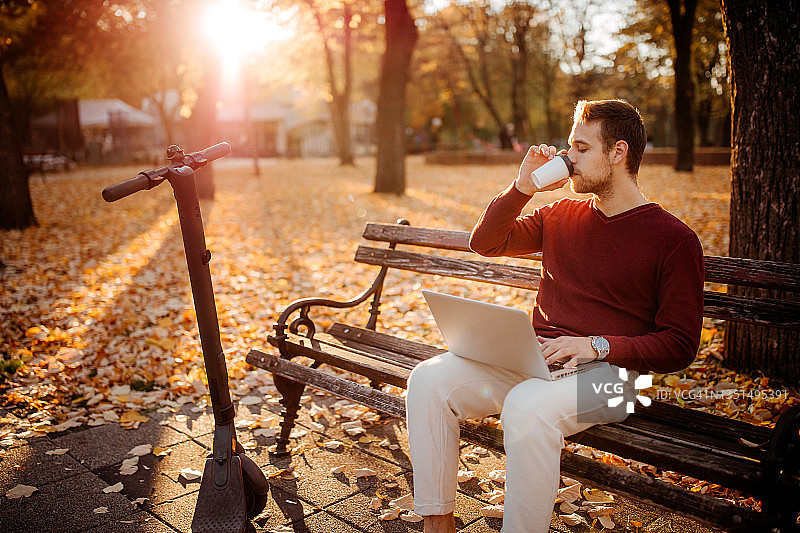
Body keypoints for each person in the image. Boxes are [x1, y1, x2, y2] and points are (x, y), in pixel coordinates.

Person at [405, 99, 705, 533]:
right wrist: (522, 187)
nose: (567, 159)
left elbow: (679, 345)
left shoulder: (674, 239)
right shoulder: (560, 214)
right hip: (538, 361)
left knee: (527, 408)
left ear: (618, 153)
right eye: (569, 146)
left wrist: (595, 345)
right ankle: (438, 523)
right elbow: (486, 243)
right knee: (429, 380)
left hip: (616, 379)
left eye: (581, 148)